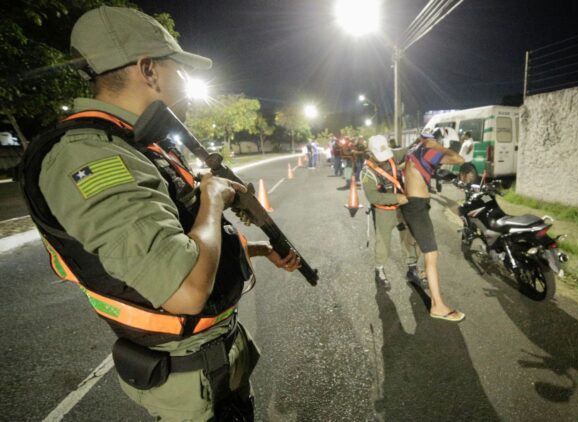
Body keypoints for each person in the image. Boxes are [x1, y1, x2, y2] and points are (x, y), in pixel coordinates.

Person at [20, 6, 300, 420]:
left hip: (218, 362)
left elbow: (181, 235)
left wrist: (255, 249)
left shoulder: (137, 145)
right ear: (148, 70)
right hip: (191, 386)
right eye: (180, 70)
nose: (187, 85)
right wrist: (212, 199)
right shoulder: (91, 155)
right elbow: (185, 290)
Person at [401, 131, 465, 322]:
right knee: (432, 254)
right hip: (417, 207)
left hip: (413, 205)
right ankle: (437, 305)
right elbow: (459, 159)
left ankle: (417, 271)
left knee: (424, 248)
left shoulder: (415, 151)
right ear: (431, 141)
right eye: (434, 141)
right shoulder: (427, 151)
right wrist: (437, 146)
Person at [361, 135, 424, 289]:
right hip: (384, 212)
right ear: (370, 154)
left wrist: (420, 141)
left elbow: (407, 150)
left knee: (410, 237)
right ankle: (379, 270)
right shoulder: (366, 172)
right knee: (383, 242)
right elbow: (373, 196)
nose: (384, 159)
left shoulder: (391, 155)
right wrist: (396, 197)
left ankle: (412, 268)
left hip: (402, 208)